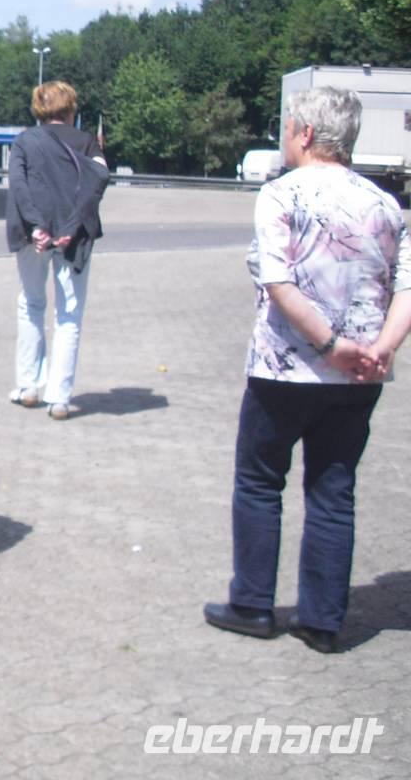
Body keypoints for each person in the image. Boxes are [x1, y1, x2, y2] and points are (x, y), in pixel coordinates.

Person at [204, 86, 410, 652]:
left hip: (285, 368)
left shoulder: (280, 195)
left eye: (289, 126)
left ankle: (252, 604)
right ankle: (322, 621)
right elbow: (406, 286)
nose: (286, 134)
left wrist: (327, 344)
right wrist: (381, 348)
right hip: (360, 376)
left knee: (259, 481)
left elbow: (278, 281)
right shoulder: (386, 204)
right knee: (332, 490)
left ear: (307, 135)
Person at [4, 80, 109, 420]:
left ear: (39, 108)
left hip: (32, 236)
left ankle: (29, 386)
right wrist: (70, 229)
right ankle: (60, 398)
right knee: (69, 315)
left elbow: (18, 186)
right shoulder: (88, 141)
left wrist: (36, 227)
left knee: (31, 304)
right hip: (73, 238)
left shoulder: (23, 141)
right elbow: (98, 183)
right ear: (70, 108)